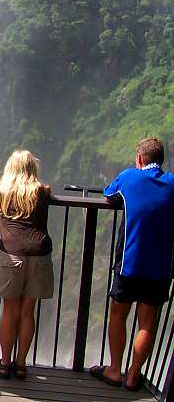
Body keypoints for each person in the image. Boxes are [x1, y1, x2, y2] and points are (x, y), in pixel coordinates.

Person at [90, 137, 174, 391]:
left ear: (139, 158)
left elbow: (109, 195)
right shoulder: (172, 183)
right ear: (162, 159)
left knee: (119, 314)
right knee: (147, 322)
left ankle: (114, 370)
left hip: (130, 261)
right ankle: (134, 375)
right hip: (161, 266)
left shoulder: (129, 177)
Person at [0, 150, 54, 380]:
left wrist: (4, 183)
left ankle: (5, 363)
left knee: (10, 310)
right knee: (27, 312)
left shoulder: (2, 190)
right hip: (39, 255)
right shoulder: (43, 192)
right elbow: (46, 188)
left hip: (11, 255)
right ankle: (21, 364)